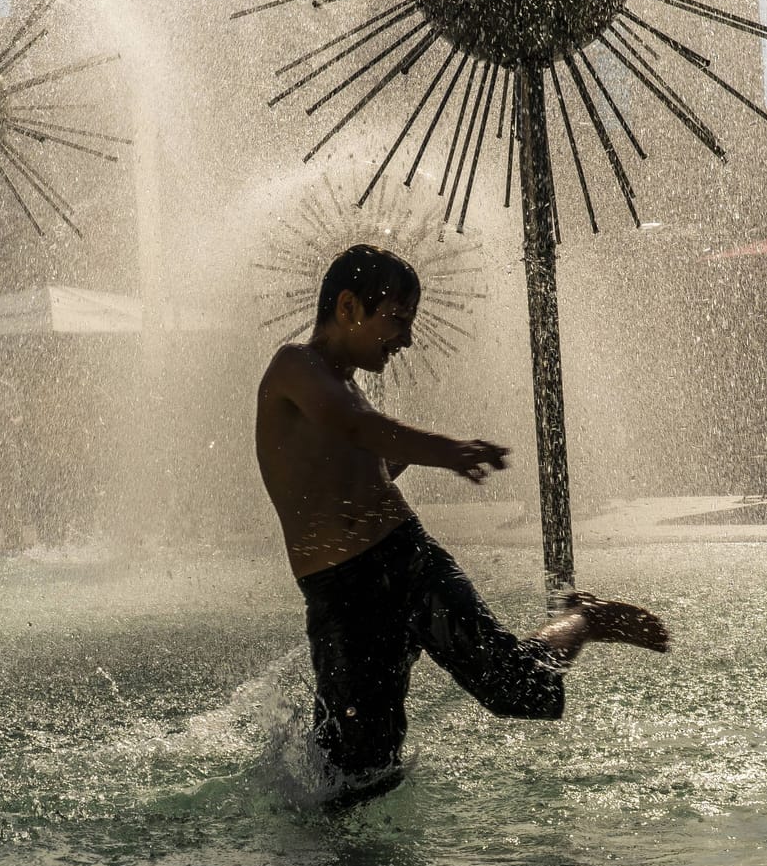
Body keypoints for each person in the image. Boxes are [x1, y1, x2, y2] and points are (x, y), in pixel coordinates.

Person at [255, 244, 671, 805]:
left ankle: (581, 617)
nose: (405, 339)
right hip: (338, 594)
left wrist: (396, 461)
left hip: (406, 562)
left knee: (516, 690)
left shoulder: (348, 388)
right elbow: (354, 429)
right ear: (349, 306)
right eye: (397, 320)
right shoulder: (293, 367)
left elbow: (362, 452)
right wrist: (444, 451)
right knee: (356, 769)